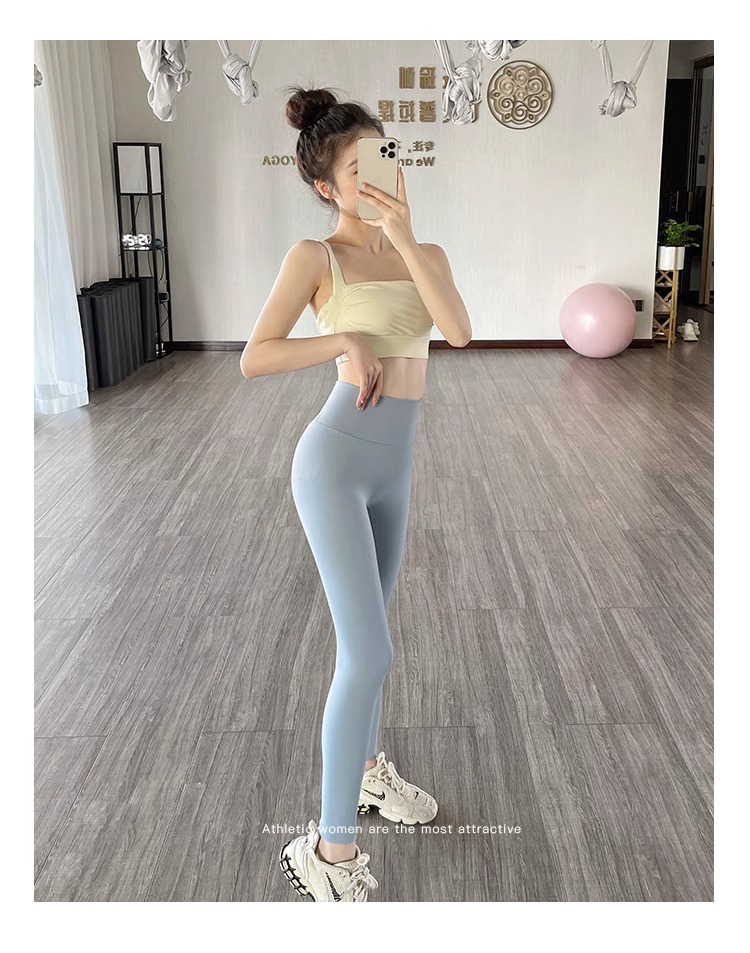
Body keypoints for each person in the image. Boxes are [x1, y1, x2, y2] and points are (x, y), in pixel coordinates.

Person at [240, 85, 471, 901]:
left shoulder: (423, 250)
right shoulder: (316, 257)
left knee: (372, 637)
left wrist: (402, 236)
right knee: (369, 651)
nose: (377, 174)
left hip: (394, 464)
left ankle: (370, 771)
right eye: (356, 167)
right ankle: (329, 855)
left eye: (385, 155)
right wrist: (340, 337)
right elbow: (255, 356)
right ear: (325, 186)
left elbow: (458, 331)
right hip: (335, 461)